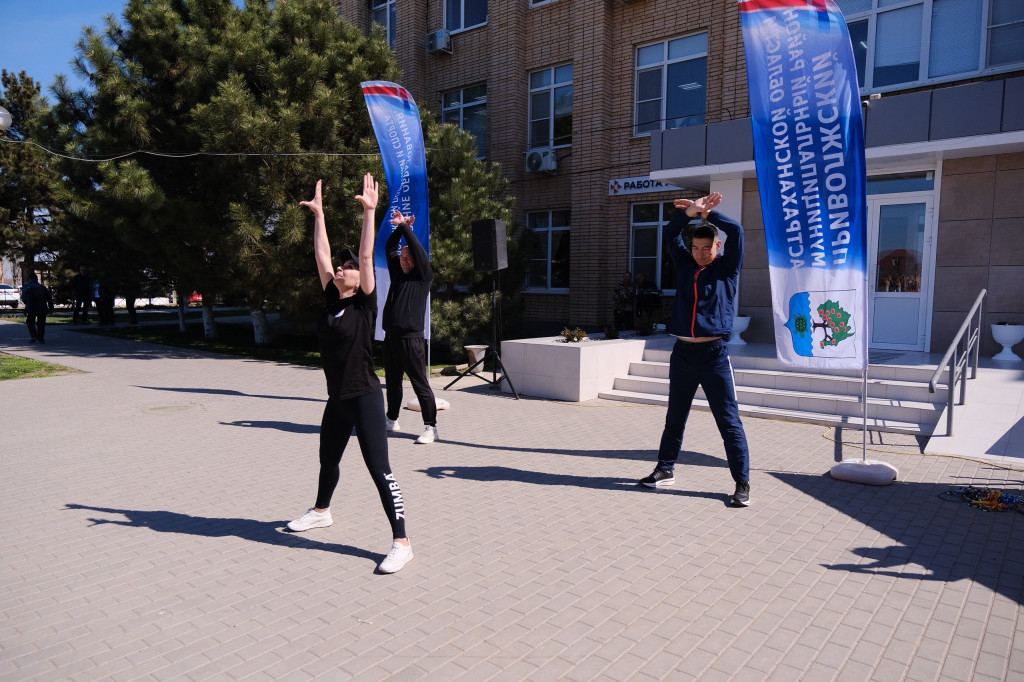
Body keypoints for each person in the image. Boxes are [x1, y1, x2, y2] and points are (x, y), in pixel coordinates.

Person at [288, 174, 413, 574]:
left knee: (380, 470)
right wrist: (319, 216)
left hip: (364, 396)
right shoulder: (333, 299)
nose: (343, 268)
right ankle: (321, 511)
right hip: (337, 398)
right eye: (342, 267)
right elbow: (322, 256)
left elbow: (365, 256)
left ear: (361, 281)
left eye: (349, 267)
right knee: (328, 460)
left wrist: (370, 213)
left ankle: (402, 542)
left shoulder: (364, 303)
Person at [638, 192, 752, 507]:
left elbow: (737, 231)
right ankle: (665, 469)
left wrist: (707, 215)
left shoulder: (727, 269)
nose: (700, 254)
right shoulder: (685, 265)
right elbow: (670, 233)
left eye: (706, 248)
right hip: (682, 355)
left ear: (718, 247)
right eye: (696, 248)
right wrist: (689, 213)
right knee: (675, 416)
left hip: (713, 356)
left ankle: (742, 482)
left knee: (728, 421)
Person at [381, 208, 438, 445]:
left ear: (416, 260)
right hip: (391, 338)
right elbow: (390, 249)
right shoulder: (398, 274)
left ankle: (431, 427)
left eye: (408, 258)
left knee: (419, 384)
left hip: (411, 341)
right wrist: (399, 229)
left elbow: (418, 252)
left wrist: (406, 227)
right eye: (402, 257)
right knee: (393, 384)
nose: (403, 260)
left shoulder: (423, 277)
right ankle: (392, 419)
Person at [21, 274, 54, 344]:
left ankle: (34, 335)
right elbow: (49, 298)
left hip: (31, 307)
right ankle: (40, 338)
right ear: (36, 279)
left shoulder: (26, 287)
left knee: (30, 322)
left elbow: (24, 298)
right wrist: (51, 307)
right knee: (41, 323)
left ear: (29, 279)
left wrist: (27, 304)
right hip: (42, 307)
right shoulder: (42, 287)